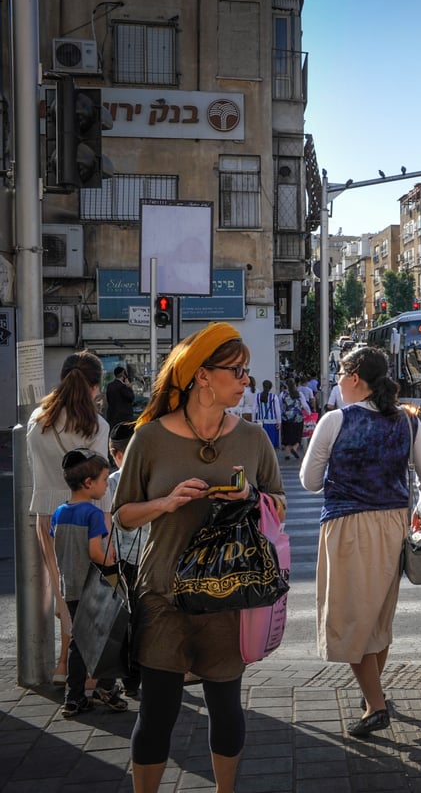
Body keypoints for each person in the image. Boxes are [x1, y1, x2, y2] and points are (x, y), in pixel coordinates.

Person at [113, 322, 285, 793]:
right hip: (163, 593)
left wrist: (250, 496)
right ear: (202, 377)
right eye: (238, 371)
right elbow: (123, 515)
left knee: (227, 707)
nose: (246, 380)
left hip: (229, 595)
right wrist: (166, 502)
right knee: (157, 712)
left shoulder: (252, 438)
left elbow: (279, 503)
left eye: (247, 372)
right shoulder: (148, 439)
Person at [301, 346, 421, 737]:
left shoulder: (335, 420)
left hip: (347, 526)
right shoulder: (408, 423)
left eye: (341, 374)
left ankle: (375, 705)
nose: (337, 382)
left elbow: (310, 481)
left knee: (350, 619)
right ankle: (372, 694)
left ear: (355, 377)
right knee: (377, 617)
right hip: (393, 524)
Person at [27, 351, 111, 686]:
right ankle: (85, 671)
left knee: (63, 592)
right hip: (87, 514)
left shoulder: (38, 420)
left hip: (48, 514)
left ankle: (63, 664)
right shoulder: (95, 425)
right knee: (89, 594)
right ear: (94, 386)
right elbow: (101, 482)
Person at [53, 448, 125, 717]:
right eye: (105, 481)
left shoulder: (60, 511)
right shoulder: (93, 514)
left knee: (78, 643)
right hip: (92, 587)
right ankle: (106, 689)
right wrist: (112, 563)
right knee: (105, 639)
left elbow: (57, 542)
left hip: (69, 586)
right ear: (88, 483)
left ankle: (73, 697)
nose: (107, 486)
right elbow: (96, 552)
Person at [107, 420, 144, 699]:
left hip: (124, 562)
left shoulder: (111, 482)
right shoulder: (151, 475)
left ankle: (130, 677)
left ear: (115, 453)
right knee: (146, 618)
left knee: (126, 619)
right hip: (152, 558)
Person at [278, 379, 311, 460]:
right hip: (297, 417)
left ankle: (287, 454)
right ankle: (295, 448)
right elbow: (305, 405)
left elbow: (280, 406)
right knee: (297, 435)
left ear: (286, 385)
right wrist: (309, 413)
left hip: (286, 418)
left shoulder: (282, 394)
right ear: (295, 385)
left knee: (287, 435)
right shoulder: (299, 394)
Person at [257, 380, 281, 448]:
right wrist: (279, 422)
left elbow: (254, 409)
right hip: (272, 421)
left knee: (262, 442)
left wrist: (254, 420)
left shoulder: (258, 396)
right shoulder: (274, 397)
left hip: (261, 421)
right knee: (271, 442)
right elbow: (277, 410)